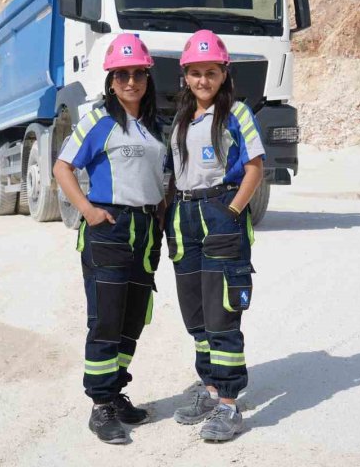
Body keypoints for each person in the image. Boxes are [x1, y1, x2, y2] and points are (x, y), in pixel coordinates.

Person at [53, 33, 166, 444]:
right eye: (122, 75)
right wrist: (87, 210)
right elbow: (63, 167)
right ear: (111, 81)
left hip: (145, 231)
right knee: (106, 318)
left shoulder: (156, 126)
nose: (131, 82)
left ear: (148, 78)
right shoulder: (98, 121)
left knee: (132, 319)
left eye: (138, 74)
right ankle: (100, 406)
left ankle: (115, 392)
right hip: (110, 230)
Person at [165, 29, 265, 442]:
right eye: (195, 72)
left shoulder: (237, 113)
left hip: (219, 211)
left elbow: (256, 167)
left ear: (224, 74)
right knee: (197, 313)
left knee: (222, 312)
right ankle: (208, 390)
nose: (202, 80)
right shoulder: (181, 118)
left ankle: (228, 404)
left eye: (211, 72)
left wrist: (232, 211)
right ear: (185, 75)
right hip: (184, 216)